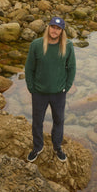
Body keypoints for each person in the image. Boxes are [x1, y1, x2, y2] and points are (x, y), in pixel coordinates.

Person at [25, 16, 76, 163]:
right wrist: (31, 87)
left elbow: (71, 68)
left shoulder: (68, 46)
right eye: (53, 27)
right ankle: (37, 147)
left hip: (58, 93)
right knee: (37, 121)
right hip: (39, 93)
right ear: (48, 28)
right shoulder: (36, 45)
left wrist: (66, 87)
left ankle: (57, 146)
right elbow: (29, 69)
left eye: (58, 28)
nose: (55, 31)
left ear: (61, 31)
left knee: (59, 120)